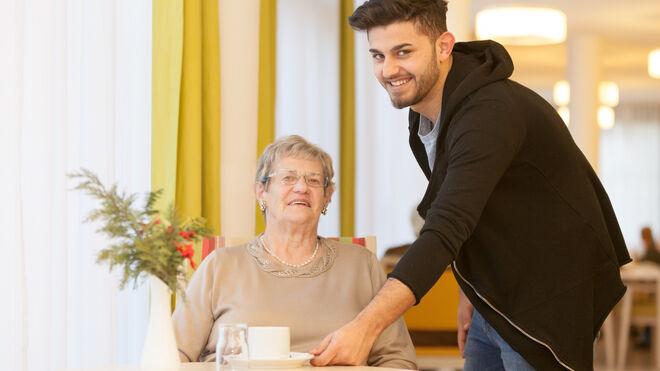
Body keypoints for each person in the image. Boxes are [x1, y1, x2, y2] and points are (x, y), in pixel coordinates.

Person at [310, 1, 631, 370]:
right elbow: (468, 209)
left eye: (403, 52)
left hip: (550, 291)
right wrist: (471, 287)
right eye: (378, 55)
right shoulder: (423, 116)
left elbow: (445, 228)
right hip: (495, 291)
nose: (388, 70)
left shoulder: (489, 113)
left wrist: (365, 329)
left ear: (444, 46)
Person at [171, 135, 416, 369]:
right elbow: (173, 355)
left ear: (327, 196)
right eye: (288, 178)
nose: (301, 187)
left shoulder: (363, 265)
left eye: (313, 180)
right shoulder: (219, 265)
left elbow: (398, 361)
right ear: (261, 191)